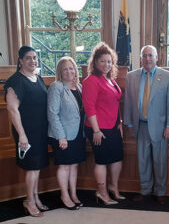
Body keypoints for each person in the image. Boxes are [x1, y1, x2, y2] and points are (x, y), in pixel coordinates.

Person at [124, 45, 169, 205]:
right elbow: (128, 102)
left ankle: (160, 191)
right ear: (140, 58)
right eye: (144, 56)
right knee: (143, 161)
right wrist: (129, 124)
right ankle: (145, 190)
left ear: (156, 57)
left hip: (160, 128)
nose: (147, 59)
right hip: (140, 126)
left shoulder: (168, 76)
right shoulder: (131, 76)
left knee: (160, 162)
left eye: (150, 56)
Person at [5, 46, 49, 217]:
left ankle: (36, 197)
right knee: (32, 168)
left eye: (35, 58)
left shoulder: (37, 78)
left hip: (40, 130)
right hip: (26, 132)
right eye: (28, 58)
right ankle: (29, 201)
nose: (33, 61)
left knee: (37, 167)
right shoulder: (16, 81)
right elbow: (12, 110)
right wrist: (22, 135)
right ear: (20, 60)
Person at [82, 42, 124, 205]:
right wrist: (96, 130)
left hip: (113, 126)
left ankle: (114, 188)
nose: (106, 64)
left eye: (109, 61)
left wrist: (119, 121)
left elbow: (115, 101)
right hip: (98, 128)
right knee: (102, 160)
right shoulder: (91, 80)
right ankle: (102, 192)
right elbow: (89, 107)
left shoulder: (109, 79)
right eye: (102, 61)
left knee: (117, 158)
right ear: (95, 63)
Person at [48, 56, 86, 210]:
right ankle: (64, 195)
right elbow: (52, 113)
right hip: (62, 134)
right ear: (60, 72)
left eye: (71, 68)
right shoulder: (56, 87)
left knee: (74, 165)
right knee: (64, 166)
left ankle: (73, 194)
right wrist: (61, 136)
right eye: (65, 69)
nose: (69, 71)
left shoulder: (80, 87)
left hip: (77, 134)